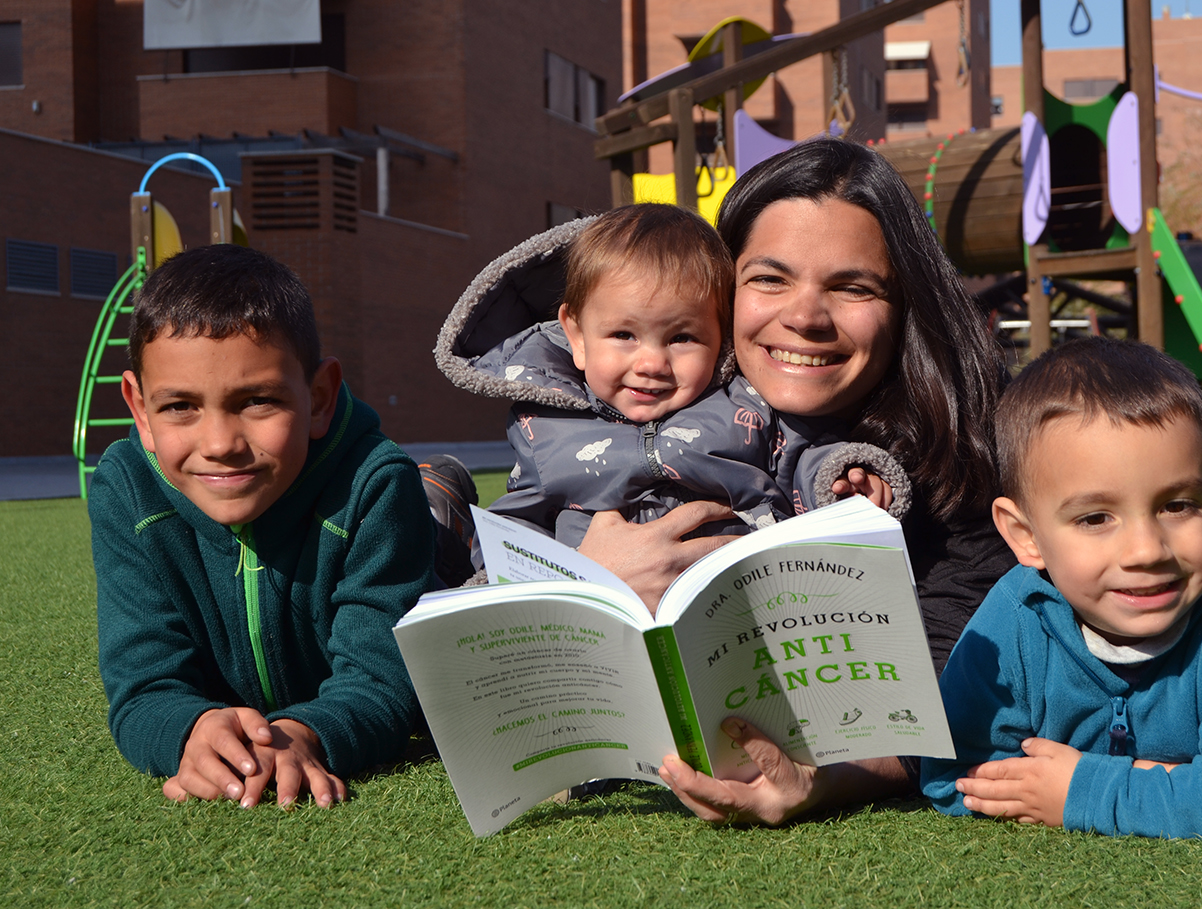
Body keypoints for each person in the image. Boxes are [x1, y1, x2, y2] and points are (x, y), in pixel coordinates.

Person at [567, 138, 1018, 825]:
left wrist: (825, 782)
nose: (804, 316)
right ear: (719, 291)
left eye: (851, 286)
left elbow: (941, 680)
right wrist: (587, 583)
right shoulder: (640, 390)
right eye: (770, 279)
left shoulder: (967, 447)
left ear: (903, 306)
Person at [918, 337, 1202, 838]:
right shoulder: (1015, 618)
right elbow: (953, 775)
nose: (1146, 551)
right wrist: (1180, 781)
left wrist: (1080, 788)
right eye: (1096, 517)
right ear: (1026, 536)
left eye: (1177, 505)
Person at [92, 244, 435, 809]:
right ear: (139, 409)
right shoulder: (125, 488)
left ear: (319, 397)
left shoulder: (374, 482)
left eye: (257, 401)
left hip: (413, 525)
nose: (220, 444)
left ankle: (438, 497)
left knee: (444, 566)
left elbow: (387, 681)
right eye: (179, 406)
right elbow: (144, 685)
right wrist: (190, 732)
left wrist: (307, 733)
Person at [431, 203, 905, 567]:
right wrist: (538, 576)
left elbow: (800, 457)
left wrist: (842, 479)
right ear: (575, 335)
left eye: (682, 337)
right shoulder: (546, 428)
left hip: (745, 606)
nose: (652, 362)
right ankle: (438, 526)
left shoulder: (746, 404)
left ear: (720, 337)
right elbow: (514, 526)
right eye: (623, 335)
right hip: (610, 619)